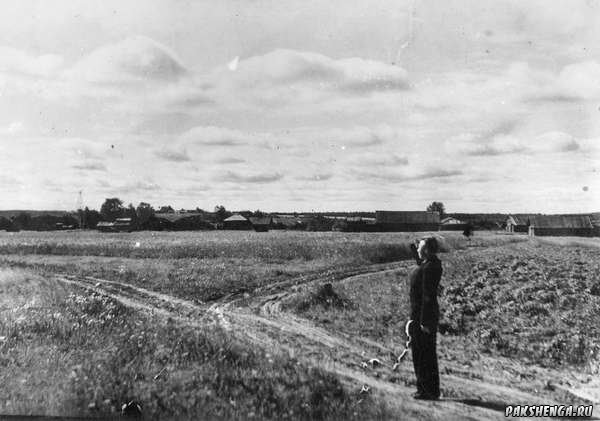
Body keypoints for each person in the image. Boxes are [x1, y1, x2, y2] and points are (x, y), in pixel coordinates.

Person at [408, 237, 442, 400]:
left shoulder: (428, 268)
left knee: (422, 355)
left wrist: (424, 322)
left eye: (420, 247)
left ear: (427, 250)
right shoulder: (432, 264)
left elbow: (427, 296)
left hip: (423, 316)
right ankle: (430, 390)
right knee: (427, 354)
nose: (418, 250)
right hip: (424, 315)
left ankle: (425, 391)